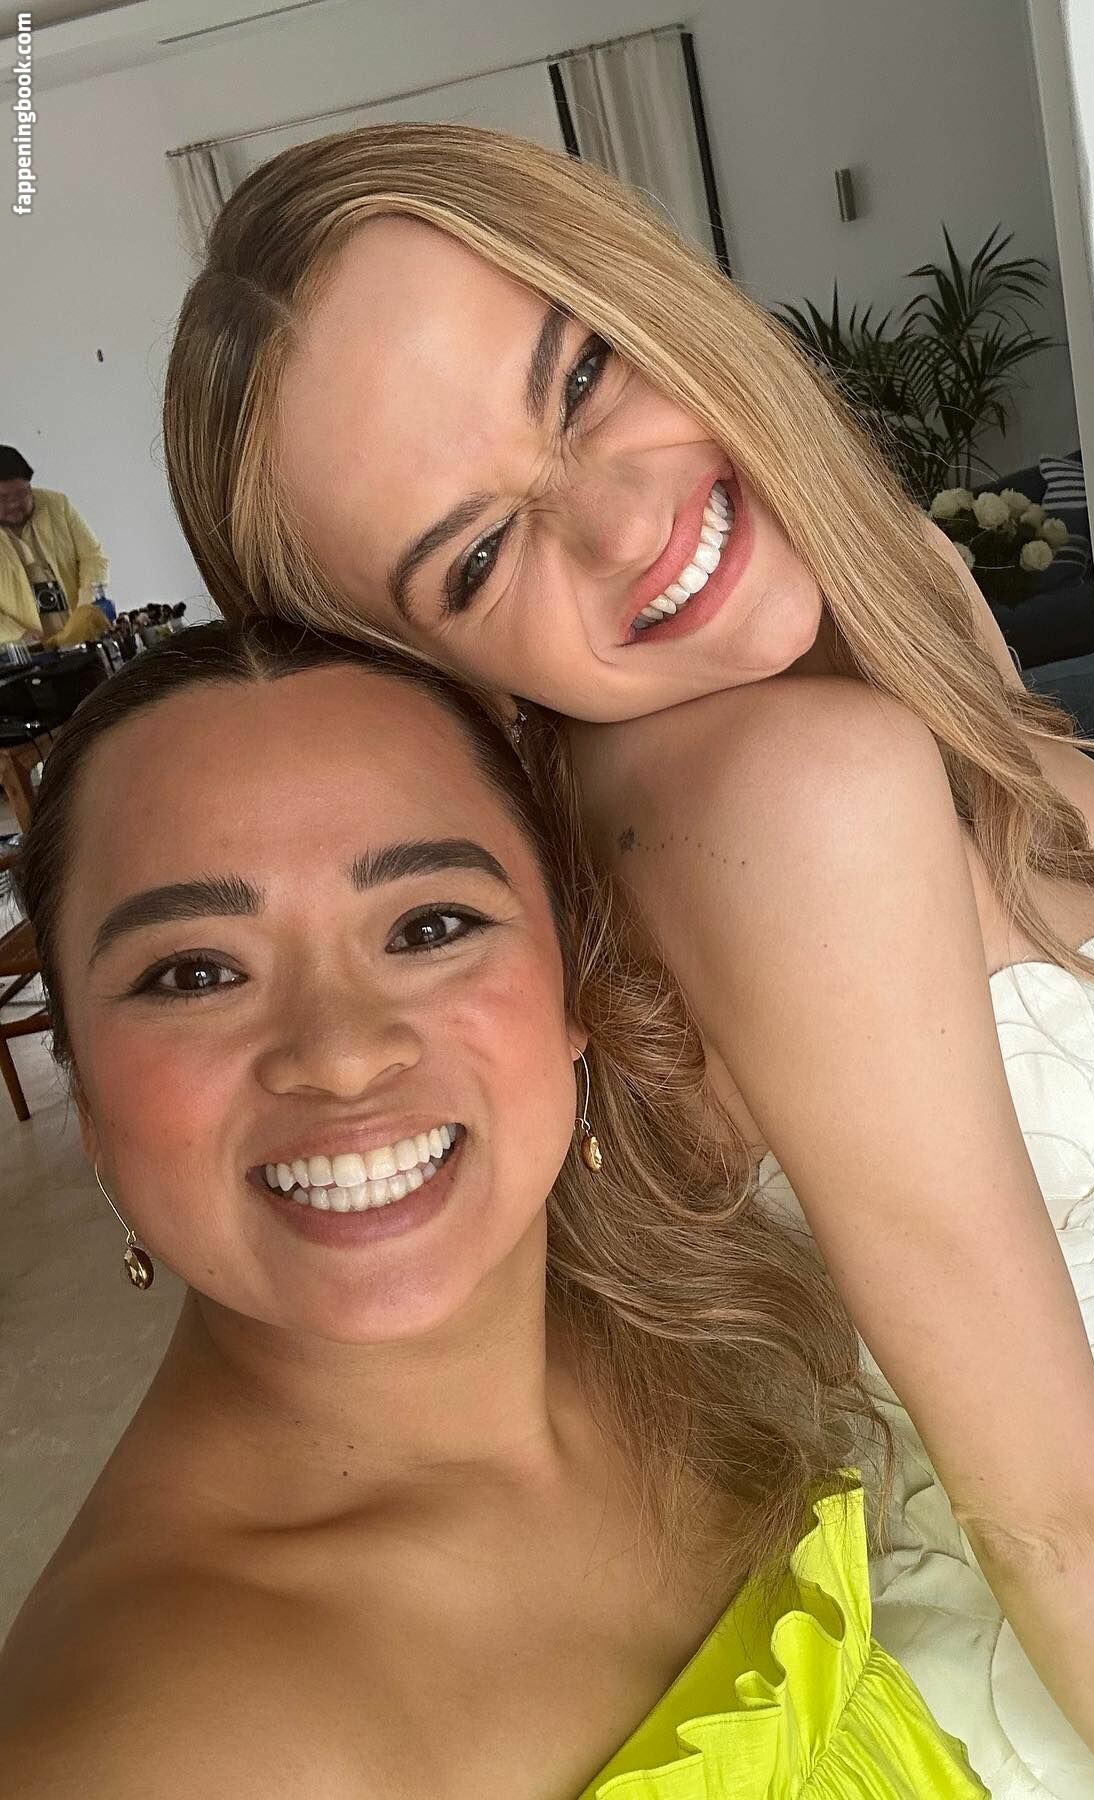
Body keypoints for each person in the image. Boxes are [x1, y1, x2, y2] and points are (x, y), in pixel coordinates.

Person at [161, 123, 1094, 1796]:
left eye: (584, 379)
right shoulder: (788, 798)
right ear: (423, 674)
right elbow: (1053, 1521)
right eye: (476, 558)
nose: (627, 523)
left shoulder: (873, 587)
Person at [0, 619, 986, 1799]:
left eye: (429, 927)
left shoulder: (684, 1340)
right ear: (86, 1094)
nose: (342, 1055)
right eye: (196, 973)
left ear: (576, 985)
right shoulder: (148, 1752)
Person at [0, 446, 110, 646]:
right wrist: (18, 635)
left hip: (82, 635)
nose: (15, 504)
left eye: (22, 493)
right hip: (23, 649)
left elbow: (93, 557)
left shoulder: (57, 504)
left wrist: (87, 606)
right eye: (4, 498)